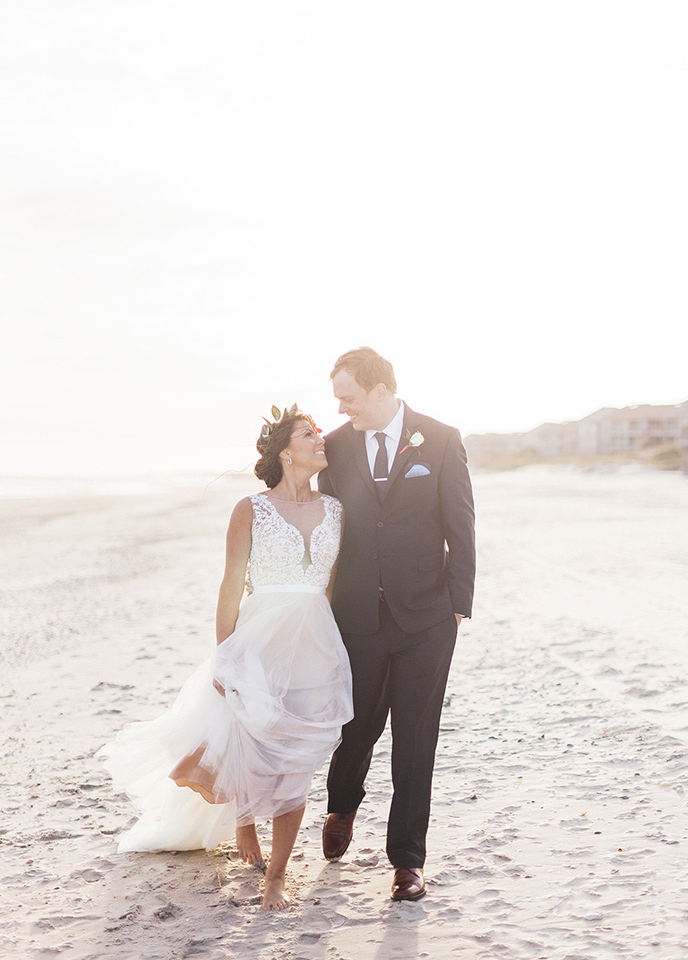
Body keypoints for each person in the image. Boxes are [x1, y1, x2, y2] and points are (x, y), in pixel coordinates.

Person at [97, 406, 353, 911]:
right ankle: (243, 821)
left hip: (315, 642)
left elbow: (329, 586)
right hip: (258, 637)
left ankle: (276, 878)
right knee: (250, 739)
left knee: (296, 758)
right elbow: (232, 582)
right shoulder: (250, 509)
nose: (320, 439)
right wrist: (224, 654)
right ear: (286, 451)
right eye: (309, 434)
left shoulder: (336, 510)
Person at [317, 348, 476, 901]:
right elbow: (320, 524)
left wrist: (459, 601)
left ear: (381, 390)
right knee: (355, 727)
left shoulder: (441, 438)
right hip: (357, 614)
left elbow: (461, 523)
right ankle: (342, 805)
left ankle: (408, 860)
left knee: (416, 737)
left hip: (428, 617)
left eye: (349, 396)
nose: (341, 407)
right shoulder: (333, 448)